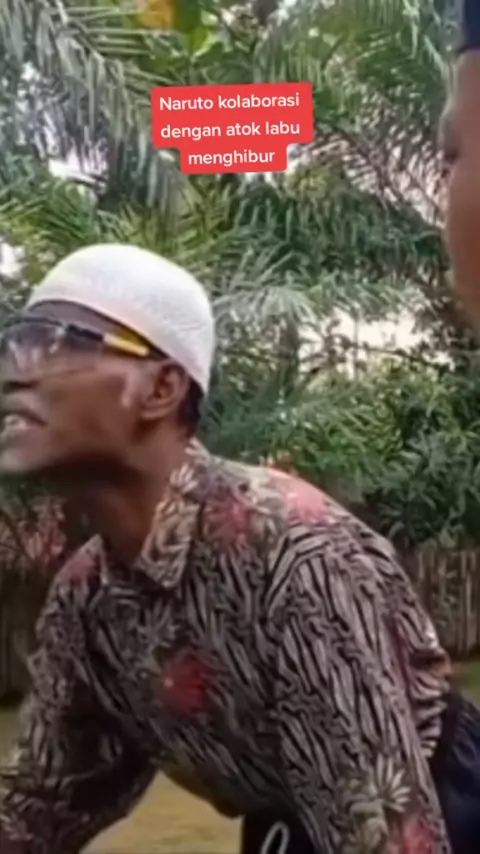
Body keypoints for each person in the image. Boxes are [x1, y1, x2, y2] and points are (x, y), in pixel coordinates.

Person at [0, 241, 469, 854]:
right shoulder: (87, 600)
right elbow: (43, 804)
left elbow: (381, 831)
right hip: (292, 824)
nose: (16, 370)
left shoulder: (297, 556)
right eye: (13, 343)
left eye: (56, 341)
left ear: (161, 388)